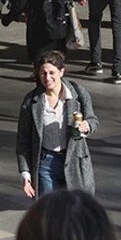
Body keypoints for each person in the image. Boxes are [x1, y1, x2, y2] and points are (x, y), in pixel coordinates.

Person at [16, 51, 99, 198]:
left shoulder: (78, 93)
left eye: (52, 73)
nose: (47, 78)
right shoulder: (31, 101)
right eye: (43, 73)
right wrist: (25, 173)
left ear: (61, 72)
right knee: (50, 208)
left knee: (74, 207)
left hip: (74, 159)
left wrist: (88, 126)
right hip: (45, 164)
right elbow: (23, 139)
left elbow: (93, 119)